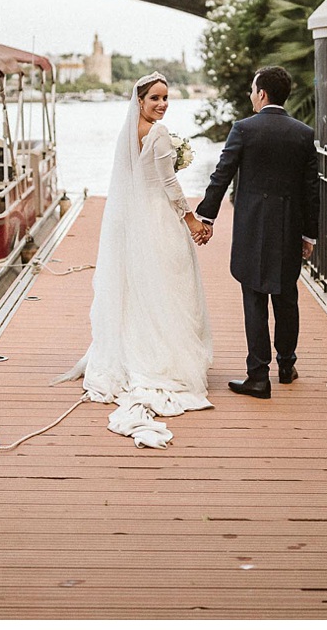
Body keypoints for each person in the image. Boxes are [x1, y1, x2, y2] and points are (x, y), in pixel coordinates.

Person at [53, 72, 214, 449]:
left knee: (143, 286)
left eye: (166, 98)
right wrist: (190, 219)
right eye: (155, 98)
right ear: (139, 100)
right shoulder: (157, 134)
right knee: (169, 286)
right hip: (157, 219)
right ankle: (163, 357)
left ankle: (133, 349)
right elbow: (169, 185)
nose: (162, 104)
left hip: (135, 219)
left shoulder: (132, 131)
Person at [196, 66, 319, 399]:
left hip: (252, 227)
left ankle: (258, 376)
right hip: (289, 227)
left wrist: (206, 216)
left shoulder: (244, 129)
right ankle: (287, 365)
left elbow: (221, 176)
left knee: (254, 297)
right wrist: (310, 235)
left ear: (262, 93)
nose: (252, 96)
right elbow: (311, 190)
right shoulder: (303, 134)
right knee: (286, 297)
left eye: (253, 90)